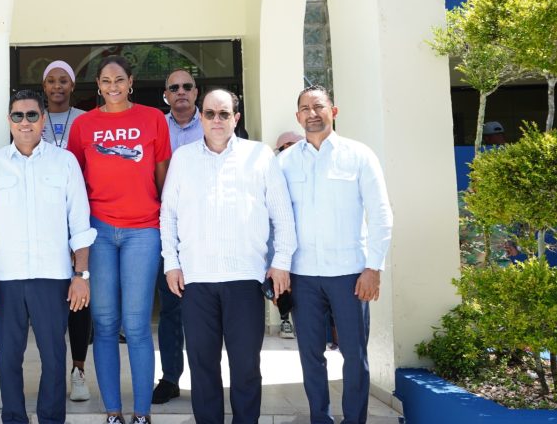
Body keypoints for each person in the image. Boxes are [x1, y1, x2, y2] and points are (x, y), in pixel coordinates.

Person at [160, 89, 296, 424]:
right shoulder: (183, 158)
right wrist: (172, 262)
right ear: (201, 118)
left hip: (244, 279)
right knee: (203, 366)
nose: (217, 120)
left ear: (236, 118)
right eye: (210, 114)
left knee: (245, 366)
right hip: (197, 281)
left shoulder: (260, 156)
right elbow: (168, 215)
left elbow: (283, 215)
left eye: (224, 114)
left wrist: (281, 263)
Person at [0, 89, 94, 424]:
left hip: (53, 280)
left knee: (54, 358)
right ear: (9, 121)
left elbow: (80, 225)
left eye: (32, 115)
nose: (25, 122)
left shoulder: (64, 162)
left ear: (42, 120)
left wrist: (81, 276)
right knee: (9, 358)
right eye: (18, 116)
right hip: (5, 281)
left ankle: (51, 419)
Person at [276, 85, 393, 424]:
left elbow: (381, 213)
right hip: (302, 277)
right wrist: (279, 270)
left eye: (319, 106)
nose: (312, 114)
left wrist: (374, 268)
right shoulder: (283, 163)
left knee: (354, 356)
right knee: (310, 356)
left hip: (350, 275)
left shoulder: (359, 156)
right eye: (304, 108)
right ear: (297, 116)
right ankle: (320, 419)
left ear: (333, 111)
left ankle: (354, 420)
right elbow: (276, 220)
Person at [67, 56, 170, 424]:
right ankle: (113, 411)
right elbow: (74, 182)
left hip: (144, 229)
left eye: (119, 79)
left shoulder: (153, 119)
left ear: (131, 82)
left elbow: (163, 178)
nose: (113, 85)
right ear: (98, 84)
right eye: (106, 80)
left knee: (138, 324)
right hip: (98, 231)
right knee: (106, 323)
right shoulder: (84, 125)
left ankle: (141, 413)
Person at [40, 59, 92, 401]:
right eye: (51, 81)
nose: (57, 86)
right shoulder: (33, 118)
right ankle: (54, 369)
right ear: (44, 87)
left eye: (64, 81)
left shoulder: (87, 120)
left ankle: (78, 369)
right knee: (48, 302)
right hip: (42, 221)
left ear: (72, 86)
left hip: (78, 215)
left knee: (79, 297)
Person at [152, 68, 201, 404]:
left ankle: (207, 378)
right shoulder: (157, 127)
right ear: (166, 95)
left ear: (196, 92)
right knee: (171, 308)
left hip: (205, 231)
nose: (181, 92)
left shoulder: (215, 122)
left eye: (187, 87)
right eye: (174, 88)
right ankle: (170, 377)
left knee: (206, 309)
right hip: (166, 228)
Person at [273, 130, 303, 340]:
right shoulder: (274, 167)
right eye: (282, 147)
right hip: (281, 242)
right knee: (281, 288)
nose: (287, 149)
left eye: (291, 144)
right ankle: (285, 321)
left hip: (307, 246)